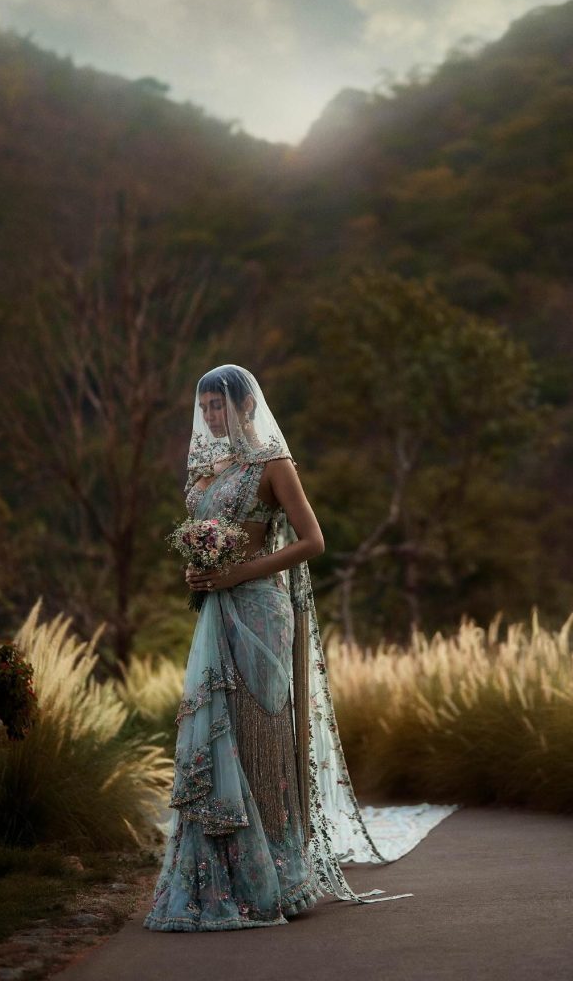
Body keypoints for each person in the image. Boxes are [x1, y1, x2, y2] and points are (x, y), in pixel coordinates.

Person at [143, 364, 435, 932]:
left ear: (246, 407)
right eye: (204, 406)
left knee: (259, 736)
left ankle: (272, 878)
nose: (210, 415)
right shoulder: (204, 472)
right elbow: (206, 545)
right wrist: (201, 573)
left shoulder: (272, 465)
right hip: (216, 612)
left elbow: (313, 541)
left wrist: (239, 573)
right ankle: (218, 875)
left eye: (220, 405)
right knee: (214, 729)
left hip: (260, 611)